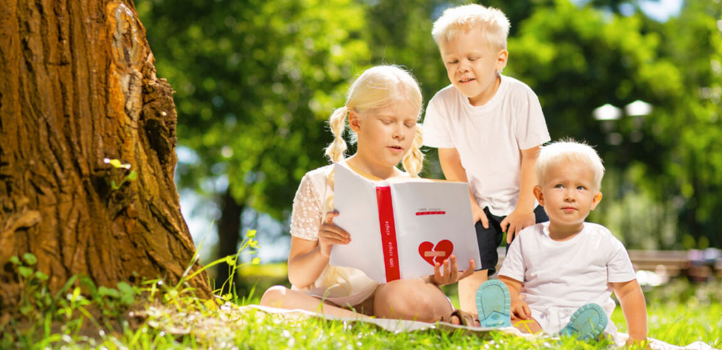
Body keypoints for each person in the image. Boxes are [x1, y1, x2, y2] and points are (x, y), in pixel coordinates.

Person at [260, 65, 482, 324]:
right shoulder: (318, 182)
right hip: (329, 303)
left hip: (396, 299)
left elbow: (421, 277)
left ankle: (368, 324)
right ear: (356, 122)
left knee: (399, 295)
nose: (400, 132)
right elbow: (297, 277)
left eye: (409, 124)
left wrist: (438, 277)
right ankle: (372, 325)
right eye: (388, 121)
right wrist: (323, 250)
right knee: (274, 297)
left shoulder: (418, 190)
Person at [423, 3, 551, 314]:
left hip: (526, 198)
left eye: (472, 58)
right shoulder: (443, 104)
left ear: (500, 59)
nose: (461, 67)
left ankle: (540, 319)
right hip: (478, 202)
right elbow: (450, 160)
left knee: (539, 264)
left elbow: (532, 156)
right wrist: (468, 203)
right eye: (452, 61)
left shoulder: (519, 97)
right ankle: (474, 321)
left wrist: (524, 208)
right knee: (472, 262)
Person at [497, 140, 648, 343]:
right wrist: (513, 300)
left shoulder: (604, 242)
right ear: (540, 196)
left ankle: (568, 339)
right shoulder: (526, 239)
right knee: (517, 327)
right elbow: (508, 282)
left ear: (595, 200)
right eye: (560, 186)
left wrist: (638, 338)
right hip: (537, 319)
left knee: (598, 329)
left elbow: (629, 291)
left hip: (588, 321)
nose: (570, 196)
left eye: (580, 188)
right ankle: (510, 328)